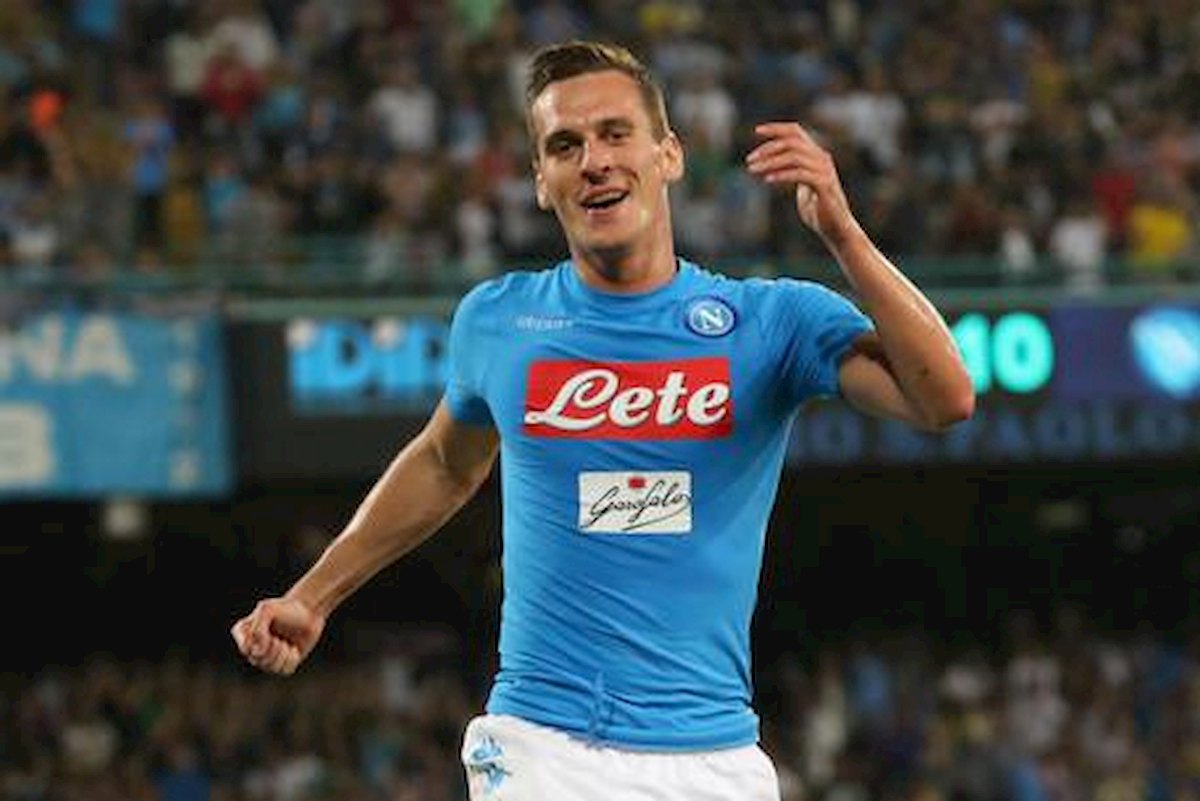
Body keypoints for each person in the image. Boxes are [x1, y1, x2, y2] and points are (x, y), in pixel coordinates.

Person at [231, 40, 975, 800]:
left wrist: (844, 235)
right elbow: (446, 463)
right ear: (540, 180)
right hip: (545, 747)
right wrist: (312, 596)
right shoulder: (498, 320)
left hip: (714, 756)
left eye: (616, 133)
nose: (594, 161)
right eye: (565, 146)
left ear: (669, 154)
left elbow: (943, 398)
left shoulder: (771, 322)